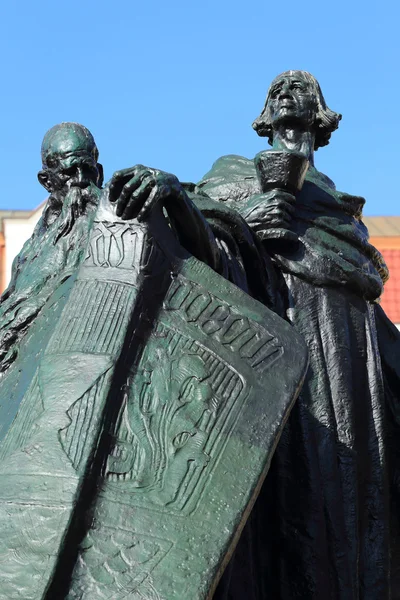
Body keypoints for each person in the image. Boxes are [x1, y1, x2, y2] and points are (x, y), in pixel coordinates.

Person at [198, 70, 400, 599]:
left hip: (345, 343)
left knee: (348, 479)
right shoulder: (232, 173)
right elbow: (201, 234)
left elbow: (367, 272)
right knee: (287, 476)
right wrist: (246, 219)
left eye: (299, 87)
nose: (286, 92)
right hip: (276, 327)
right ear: (266, 117)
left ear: (319, 113)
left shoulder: (333, 198)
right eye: (276, 90)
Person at [0, 122, 104, 372]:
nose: (80, 182)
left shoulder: (118, 223)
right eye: (69, 173)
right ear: (47, 181)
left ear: (98, 173)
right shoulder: (29, 256)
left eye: (87, 171)